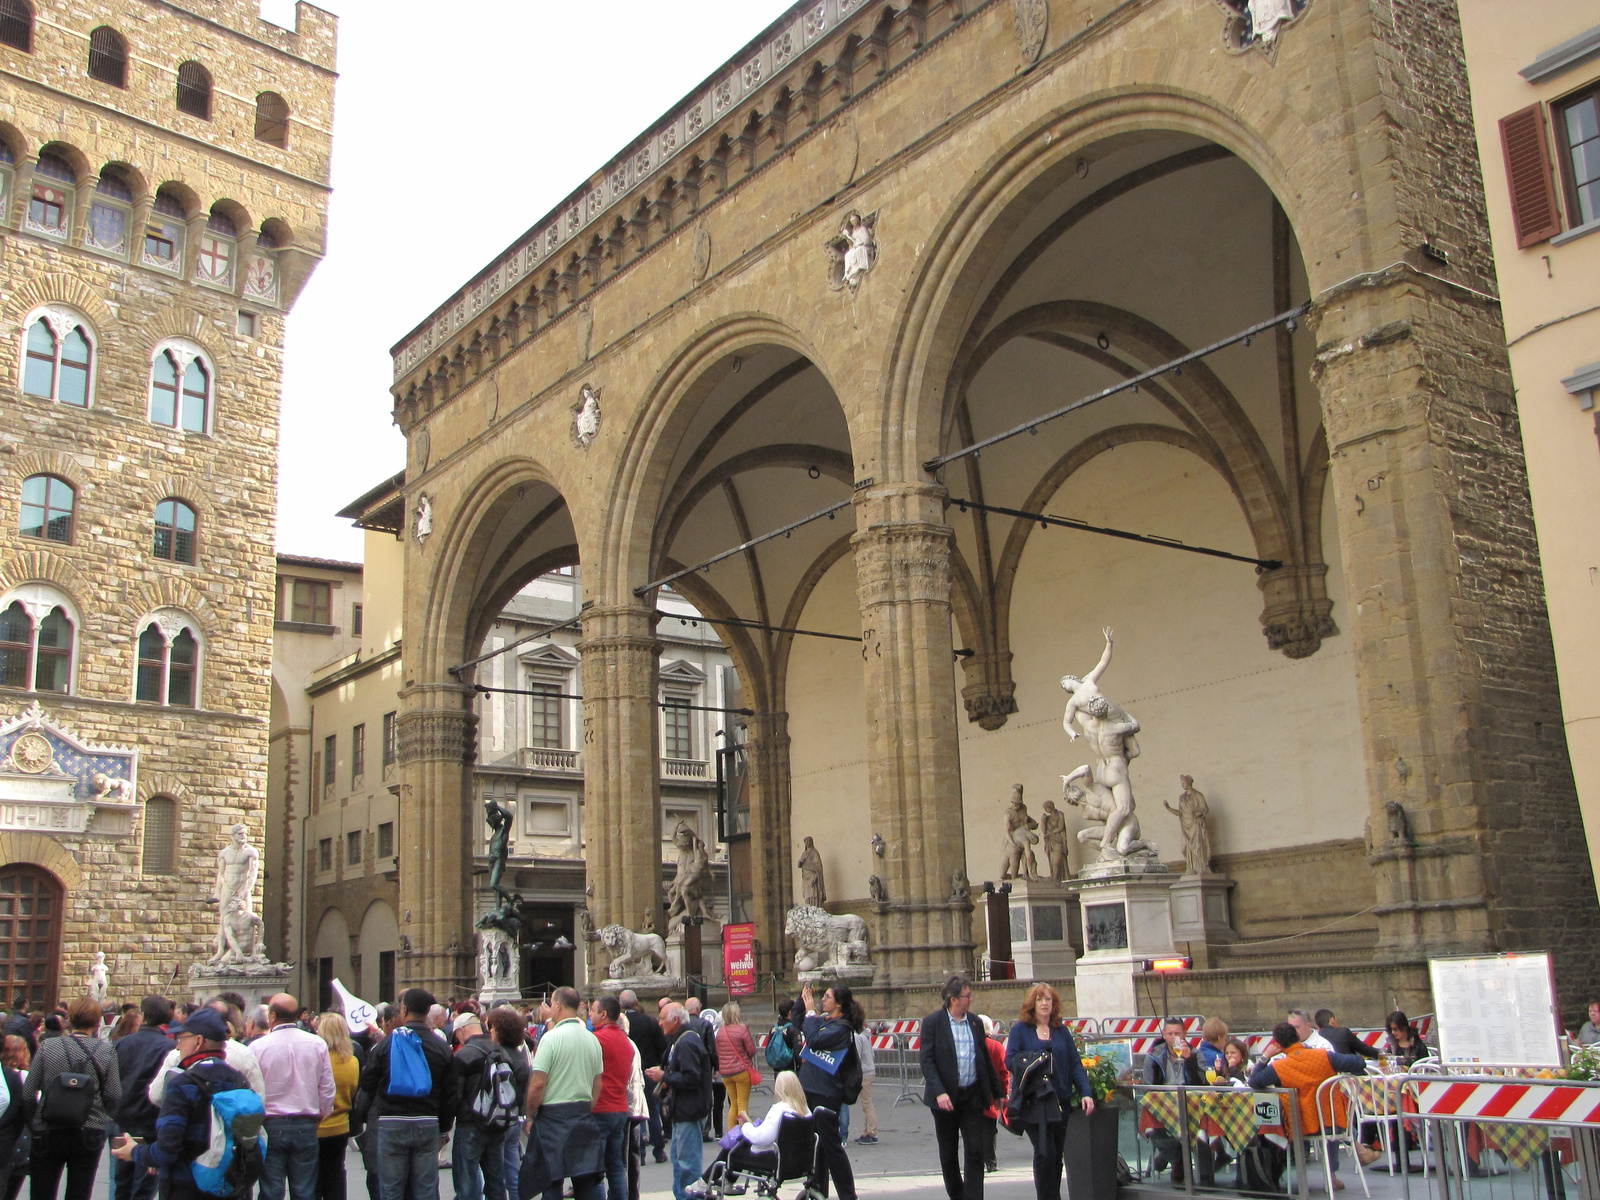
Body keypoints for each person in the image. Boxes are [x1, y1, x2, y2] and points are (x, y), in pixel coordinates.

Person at [108, 1008, 248, 1200]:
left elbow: (167, 1149)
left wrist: (135, 1152)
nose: (178, 1046)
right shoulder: (238, 1080)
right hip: (228, 1185)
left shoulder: (182, 1084)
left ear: (198, 1041)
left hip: (186, 1186)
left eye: (182, 1039)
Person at [355, 987, 460, 1200]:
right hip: (427, 1120)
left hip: (391, 1120)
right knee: (426, 1189)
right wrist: (444, 1128)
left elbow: (367, 1082)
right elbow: (451, 1093)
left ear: (404, 1010)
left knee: (391, 1189)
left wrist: (363, 1117)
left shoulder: (387, 1044)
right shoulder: (441, 1047)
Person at [1249, 1022, 1370, 1192]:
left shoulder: (1279, 1067)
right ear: (1298, 1037)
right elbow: (1358, 1063)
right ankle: (1331, 1176)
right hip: (1334, 1121)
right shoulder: (1324, 1056)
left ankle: (1288, 1179)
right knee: (1327, 1121)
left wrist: (1265, 1057)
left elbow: (1254, 1081)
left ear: (1277, 1044)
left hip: (1300, 1127)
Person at [1003, 984, 1094, 1200]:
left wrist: (1086, 1092)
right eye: (1040, 1000)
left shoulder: (1061, 1032)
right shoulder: (1020, 1031)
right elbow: (1010, 1060)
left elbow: (1074, 1064)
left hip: (1059, 1100)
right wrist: (1033, 1060)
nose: (1045, 1004)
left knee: (1056, 1155)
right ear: (1032, 1004)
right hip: (1034, 1102)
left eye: (1048, 1000)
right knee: (1045, 1152)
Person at [25, 996, 120, 1200]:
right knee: (80, 1191)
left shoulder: (48, 1047)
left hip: (48, 1127)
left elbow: (28, 1091)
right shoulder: (106, 1051)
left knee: (41, 1190)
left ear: (69, 1018)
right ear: (97, 1022)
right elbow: (114, 1094)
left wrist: (33, 1121)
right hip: (89, 1128)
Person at [920, 975, 998, 1200]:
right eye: (967, 995)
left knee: (975, 1150)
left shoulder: (974, 1022)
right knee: (948, 1153)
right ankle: (958, 1194)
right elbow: (927, 1060)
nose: (971, 999)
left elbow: (983, 1058)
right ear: (954, 999)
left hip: (971, 1094)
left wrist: (997, 1092)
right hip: (945, 1098)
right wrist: (939, 1092)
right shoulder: (933, 1023)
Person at [525, 987, 604, 1200]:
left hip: (552, 1115)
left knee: (551, 1179)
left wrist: (530, 1115)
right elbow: (597, 1084)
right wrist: (587, 1108)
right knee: (585, 1178)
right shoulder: (592, 1039)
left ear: (558, 1006)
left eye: (551, 1004)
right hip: (582, 1112)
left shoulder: (550, 1039)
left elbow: (537, 1084)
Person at [255, 993, 336, 1200]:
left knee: (271, 1189)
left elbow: (253, 1088)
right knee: (305, 1190)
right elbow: (327, 1087)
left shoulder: (258, 1047)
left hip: (271, 1122)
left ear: (272, 1016)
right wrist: (321, 1114)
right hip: (306, 1121)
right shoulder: (317, 1044)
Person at [684, 1070, 810, 1198]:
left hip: (773, 1158)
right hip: (797, 1160)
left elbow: (762, 1137)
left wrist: (746, 1126)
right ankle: (726, 1181)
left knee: (733, 1148)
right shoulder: (806, 1110)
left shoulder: (780, 1110)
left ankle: (705, 1182)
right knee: (740, 1145)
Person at [799, 983, 861, 1200]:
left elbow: (814, 1040)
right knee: (820, 1146)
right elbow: (801, 1024)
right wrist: (803, 1000)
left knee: (831, 1147)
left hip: (825, 1092)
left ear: (839, 1003)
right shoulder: (827, 1022)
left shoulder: (841, 1028)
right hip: (813, 1089)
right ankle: (818, 1188)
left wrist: (810, 1013)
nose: (822, 1000)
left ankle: (847, 1194)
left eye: (827, 997)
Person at [111, 996, 176, 1200]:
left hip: (122, 1119)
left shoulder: (121, 1044)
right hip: (151, 1122)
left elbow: (111, 1080)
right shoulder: (168, 1048)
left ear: (144, 1016)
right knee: (145, 1186)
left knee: (121, 1182)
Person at [647, 1003, 711, 1200]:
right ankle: (682, 1195)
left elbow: (692, 1078)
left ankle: (689, 1196)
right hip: (684, 1109)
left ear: (675, 1020)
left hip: (689, 1109)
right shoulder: (679, 1040)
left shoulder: (686, 1042)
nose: (659, 1023)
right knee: (679, 1159)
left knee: (687, 1163)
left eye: (662, 1019)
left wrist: (664, 1077)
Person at [447, 1012, 505, 1200]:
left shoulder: (463, 1055)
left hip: (469, 1122)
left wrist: (447, 1124)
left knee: (467, 1181)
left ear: (462, 1031)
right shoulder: (501, 1050)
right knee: (496, 1180)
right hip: (497, 1121)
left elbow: (454, 1093)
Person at [1142, 1017, 1207, 1184]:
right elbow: (1148, 1087)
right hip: (1163, 1103)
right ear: (1164, 1034)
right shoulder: (1154, 1056)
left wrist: (1189, 1060)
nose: (1174, 1037)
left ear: (1185, 1034)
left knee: (1202, 1125)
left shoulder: (1196, 1053)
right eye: (1170, 1033)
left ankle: (1201, 1174)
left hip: (1191, 1103)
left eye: (1177, 1033)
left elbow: (1202, 1083)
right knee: (1152, 1127)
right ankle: (1176, 1158)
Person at [589, 996, 633, 1200]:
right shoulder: (626, 1042)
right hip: (620, 1108)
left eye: (593, 1010)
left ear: (603, 1014)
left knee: (595, 1168)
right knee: (616, 1164)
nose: (590, 1014)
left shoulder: (597, 1039)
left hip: (600, 1108)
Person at [483, 1008, 529, 1200]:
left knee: (494, 1171)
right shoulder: (521, 1057)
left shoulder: (497, 1055)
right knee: (512, 1168)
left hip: (497, 1117)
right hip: (514, 1116)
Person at [619, 992, 667, 1164]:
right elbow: (662, 1046)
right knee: (653, 1111)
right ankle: (659, 1150)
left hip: (629, 1072)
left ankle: (640, 1152)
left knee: (635, 1112)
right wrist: (661, 1066)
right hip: (650, 1070)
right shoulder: (650, 1021)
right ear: (637, 1002)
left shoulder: (621, 1023)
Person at [317, 1014, 361, 1200]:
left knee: (314, 1177)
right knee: (336, 1173)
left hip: (318, 1126)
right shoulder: (352, 1062)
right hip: (340, 1125)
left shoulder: (318, 1060)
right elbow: (353, 1092)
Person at [714, 1003, 757, 1131]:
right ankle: (744, 1132)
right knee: (742, 1103)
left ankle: (732, 1132)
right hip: (741, 1071)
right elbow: (752, 1051)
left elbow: (718, 1052)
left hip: (726, 1073)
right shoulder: (742, 1029)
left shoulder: (721, 1031)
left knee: (733, 1103)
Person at [977, 1017, 1009, 1174]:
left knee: (974, 1129)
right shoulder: (997, 1047)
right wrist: (1004, 1093)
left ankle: (977, 1161)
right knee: (990, 1129)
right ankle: (991, 1162)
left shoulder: (972, 1045)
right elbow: (1004, 1072)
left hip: (973, 1095)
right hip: (992, 1096)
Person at [1314, 1011, 1381, 1061]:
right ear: (1332, 1020)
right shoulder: (1343, 1032)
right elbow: (1363, 1049)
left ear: (1318, 1027)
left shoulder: (1316, 1037)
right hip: (1348, 1075)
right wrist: (1381, 1054)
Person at [851, 1024, 878, 1146]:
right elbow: (871, 1054)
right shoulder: (866, 1036)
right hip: (869, 1070)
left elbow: (856, 1057)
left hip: (864, 1072)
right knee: (866, 1103)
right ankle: (867, 1131)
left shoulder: (857, 1037)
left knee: (867, 1104)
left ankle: (872, 1132)